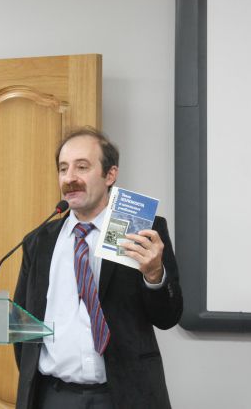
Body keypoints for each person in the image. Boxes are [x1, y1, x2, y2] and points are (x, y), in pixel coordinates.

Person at [13, 127, 183, 409]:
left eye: (82, 167)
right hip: (53, 396)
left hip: (124, 397)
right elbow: (23, 326)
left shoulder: (142, 231)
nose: (70, 178)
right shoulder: (38, 241)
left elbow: (168, 317)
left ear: (110, 175)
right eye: (63, 168)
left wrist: (154, 275)